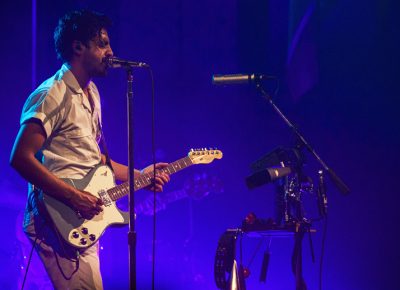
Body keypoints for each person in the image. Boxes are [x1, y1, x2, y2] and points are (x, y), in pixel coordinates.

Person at [9, 9, 170, 289]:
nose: (111, 51)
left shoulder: (91, 93)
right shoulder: (52, 94)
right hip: (56, 220)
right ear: (78, 47)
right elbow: (20, 158)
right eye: (103, 44)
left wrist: (139, 174)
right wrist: (73, 197)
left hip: (80, 222)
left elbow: (96, 160)